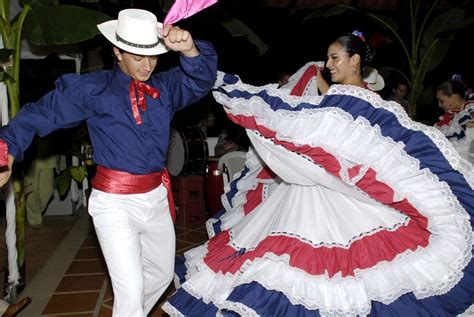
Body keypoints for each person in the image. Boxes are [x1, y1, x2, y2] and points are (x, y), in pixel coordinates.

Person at [162, 32, 473, 316]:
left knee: (343, 272)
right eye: (327, 58)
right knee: (282, 263)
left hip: (349, 201)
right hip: (311, 191)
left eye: (335, 58)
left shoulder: (369, 107)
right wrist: (235, 91)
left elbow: (386, 153)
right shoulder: (332, 104)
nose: (328, 64)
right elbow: (300, 121)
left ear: (355, 61)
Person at [0, 8, 217, 316]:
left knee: (160, 275)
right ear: (117, 51)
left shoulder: (165, 87)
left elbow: (201, 79)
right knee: (129, 290)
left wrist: (190, 49)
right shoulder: (93, 88)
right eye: (138, 57)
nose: (147, 65)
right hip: (115, 203)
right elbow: (41, 113)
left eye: (153, 56)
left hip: (156, 197)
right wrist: (5, 147)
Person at [435, 74, 474, 163]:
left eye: (442, 101)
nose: (439, 105)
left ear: (453, 97)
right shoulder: (456, 114)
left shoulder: (469, 110)